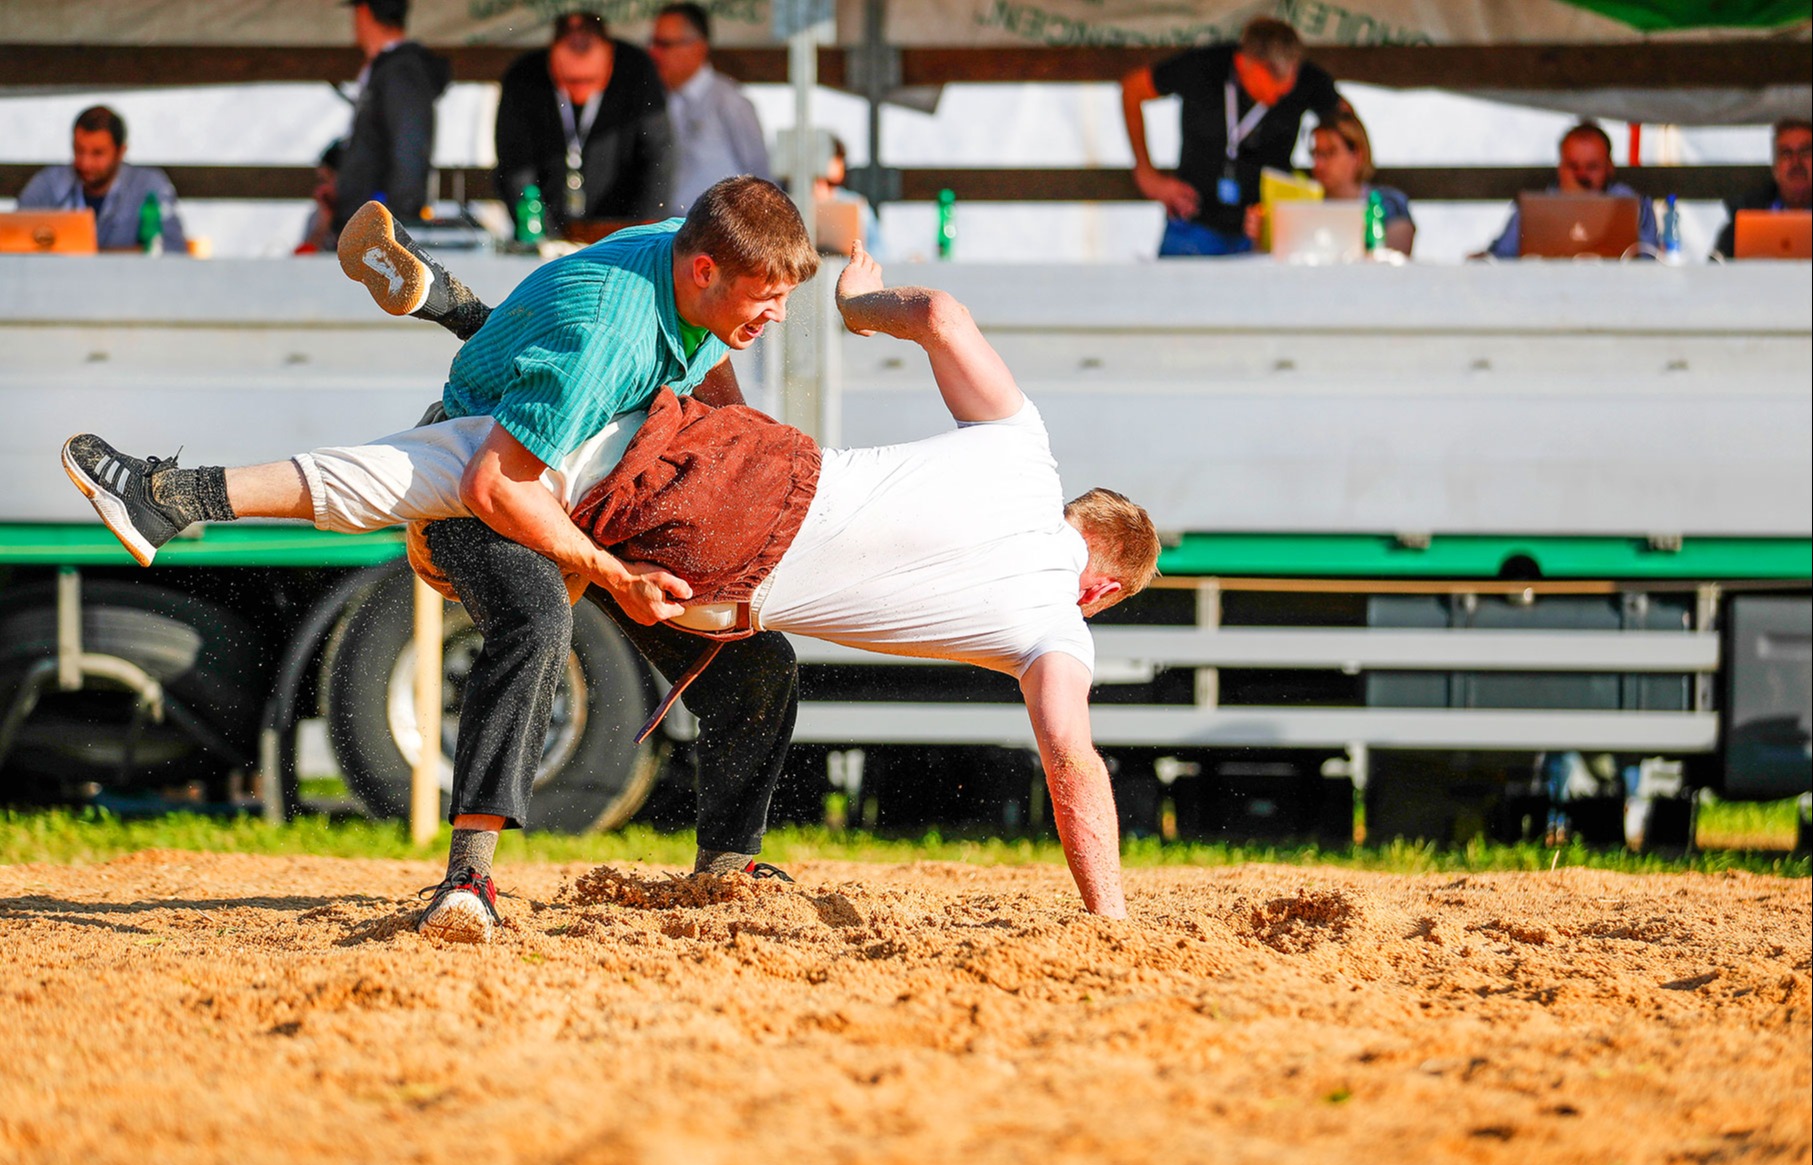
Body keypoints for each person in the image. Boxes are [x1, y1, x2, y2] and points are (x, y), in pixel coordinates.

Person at [64, 235, 1158, 934]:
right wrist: (1107, 919)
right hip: (719, 537)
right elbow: (1072, 763)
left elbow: (946, 320)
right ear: (1102, 587)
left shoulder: (1025, 449)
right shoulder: (1056, 626)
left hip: (752, 469)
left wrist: (863, 299)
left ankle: (726, 866)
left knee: (740, 651)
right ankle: (184, 488)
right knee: (482, 470)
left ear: (1076, 516)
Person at [65, 178, 818, 940]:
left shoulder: (683, 252)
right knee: (536, 615)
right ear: (704, 271)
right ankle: (468, 881)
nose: (778, 314)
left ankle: (728, 866)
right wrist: (612, 572)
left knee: (757, 664)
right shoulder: (608, 338)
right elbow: (492, 485)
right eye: (769, 294)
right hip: (479, 493)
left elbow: (702, 359)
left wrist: (737, 441)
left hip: (589, 475)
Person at [1121, 17, 1344, 257]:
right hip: (1193, 223)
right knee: (1174, 292)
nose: (1282, 89)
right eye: (1273, 78)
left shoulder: (1307, 81)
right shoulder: (1205, 66)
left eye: (1290, 78)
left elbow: (1347, 126)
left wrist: (1332, 184)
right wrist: (1147, 173)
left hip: (1265, 234)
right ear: (1243, 63)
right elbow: (1133, 89)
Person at [494, 11, 674, 236]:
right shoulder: (522, 77)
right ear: (552, 58)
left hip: (620, 226)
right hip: (549, 223)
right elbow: (515, 165)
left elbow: (659, 154)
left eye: (589, 80)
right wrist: (542, 233)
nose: (580, 91)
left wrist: (642, 232)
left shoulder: (638, 71)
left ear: (609, 58)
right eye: (570, 80)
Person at [333, 0, 450, 238]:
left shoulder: (401, 72)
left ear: (364, 12)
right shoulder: (391, 70)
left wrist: (395, 227)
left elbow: (409, 148)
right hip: (370, 228)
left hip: (379, 234)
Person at [649, 2, 771, 213]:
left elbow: (760, 175)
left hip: (718, 235)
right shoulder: (655, 100)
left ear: (698, 47)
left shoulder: (729, 101)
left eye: (664, 44)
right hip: (667, 233)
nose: (654, 53)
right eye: (653, 44)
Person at [17, 106, 187, 253]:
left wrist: (91, 256)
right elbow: (13, 241)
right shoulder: (49, 184)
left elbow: (172, 252)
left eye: (97, 153)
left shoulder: (149, 186)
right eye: (79, 150)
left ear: (121, 151)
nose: (85, 162)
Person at [1478, 121, 1658, 259]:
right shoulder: (1535, 208)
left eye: (1592, 166)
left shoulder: (1632, 204)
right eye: (1574, 166)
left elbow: (1648, 258)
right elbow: (1502, 256)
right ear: (1561, 168)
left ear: (1609, 167)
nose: (1582, 175)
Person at [1245, 111, 1414, 256]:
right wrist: (1260, 237)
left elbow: (1397, 256)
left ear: (1357, 155)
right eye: (1316, 154)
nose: (1319, 164)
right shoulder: (1301, 204)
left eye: (1330, 153)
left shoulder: (1387, 203)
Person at [1712, 117, 1812, 259]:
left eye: (1805, 152)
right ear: (1775, 167)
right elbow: (1717, 266)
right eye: (1786, 153)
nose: (1796, 162)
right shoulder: (1747, 214)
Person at [295, 139, 345, 255]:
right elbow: (300, 265)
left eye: (328, 179)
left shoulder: (376, 210)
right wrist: (321, 228)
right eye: (321, 181)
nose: (322, 189)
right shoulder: (319, 215)